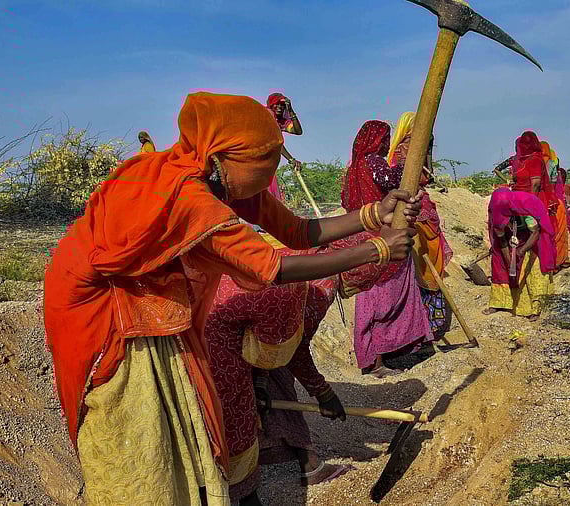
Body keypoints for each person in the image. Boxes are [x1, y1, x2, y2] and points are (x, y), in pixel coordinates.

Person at [43, 92, 421, 505]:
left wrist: (372, 215)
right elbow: (273, 267)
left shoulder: (222, 178)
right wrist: (377, 250)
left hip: (154, 303)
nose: (273, 173)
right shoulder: (191, 198)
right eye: (267, 165)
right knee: (135, 422)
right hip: (103, 310)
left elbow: (297, 232)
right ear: (226, 157)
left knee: (188, 410)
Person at [207, 230, 392, 504]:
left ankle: (307, 464)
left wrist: (261, 382)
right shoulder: (320, 289)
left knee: (274, 384)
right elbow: (295, 353)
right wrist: (324, 394)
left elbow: (281, 342)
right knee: (234, 414)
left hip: (239, 325)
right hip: (216, 336)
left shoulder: (305, 261)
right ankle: (242, 495)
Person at [342, 119, 434, 378]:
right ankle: (380, 357)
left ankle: (375, 355)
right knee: (384, 299)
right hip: (381, 235)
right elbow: (394, 181)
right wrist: (408, 161)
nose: (387, 144)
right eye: (385, 138)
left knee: (369, 298)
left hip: (359, 236)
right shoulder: (374, 162)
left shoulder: (351, 169)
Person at [388, 111, 454, 339]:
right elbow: (418, 179)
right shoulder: (404, 151)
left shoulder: (417, 147)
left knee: (429, 271)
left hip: (425, 218)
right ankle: (424, 328)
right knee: (422, 273)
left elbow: (429, 174)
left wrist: (428, 146)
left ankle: (428, 327)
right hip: (415, 217)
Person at [482, 188, 557, 321]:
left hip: (533, 237)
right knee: (500, 264)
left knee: (535, 270)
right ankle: (499, 303)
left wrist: (521, 252)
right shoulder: (497, 211)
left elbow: (535, 232)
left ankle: (536, 307)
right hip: (512, 237)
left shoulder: (524, 207)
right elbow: (502, 239)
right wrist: (509, 258)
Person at [266, 93, 305, 201]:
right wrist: (291, 159)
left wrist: (291, 110)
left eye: (282, 105)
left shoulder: (281, 122)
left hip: (269, 163)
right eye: (277, 104)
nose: (280, 107)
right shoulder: (266, 117)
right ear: (270, 105)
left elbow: (298, 131)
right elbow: (276, 142)